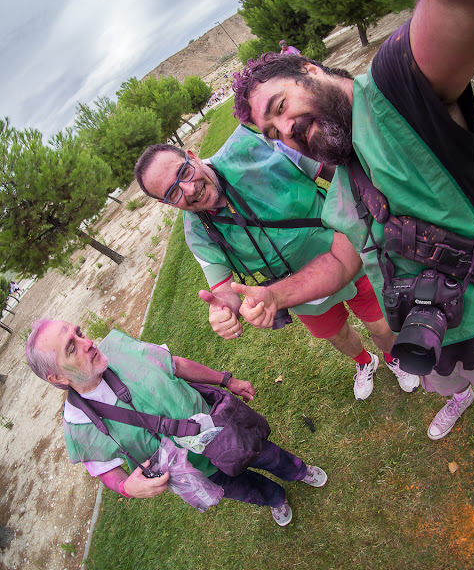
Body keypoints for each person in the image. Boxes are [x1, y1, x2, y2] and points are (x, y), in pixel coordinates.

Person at [231, 0, 474, 440]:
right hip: (439, 336)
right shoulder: (341, 183)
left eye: (281, 107)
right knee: (450, 379)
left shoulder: (394, 90)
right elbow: (343, 261)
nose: (288, 132)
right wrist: (274, 296)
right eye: (274, 134)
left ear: (307, 68)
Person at [134, 127, 419, 401]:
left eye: (184, 172)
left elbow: (336, 172)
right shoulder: (195, 232)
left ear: (192, 155)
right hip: (298, 292)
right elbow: (222, 290)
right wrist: (222, 309)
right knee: (337, 335)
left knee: (382, 325)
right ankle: (363, 361)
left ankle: (393, 358)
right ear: (166, 204)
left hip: (346, 251)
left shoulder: (254, 145)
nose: (189, 189)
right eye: (173, 193)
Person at [26, 319, 328, 527]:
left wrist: (228, 380)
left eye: (79, 333)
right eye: (72, 347)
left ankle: (300, 471)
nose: (88, 342)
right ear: (58, 378)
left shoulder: (119, 349)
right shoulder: (78, 428)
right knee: (244, 488)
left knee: (267, 454)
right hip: (199, 471)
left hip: (222, 430)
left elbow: (176, 365)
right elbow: (106, 471)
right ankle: (275, 499)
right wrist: (126, 487)